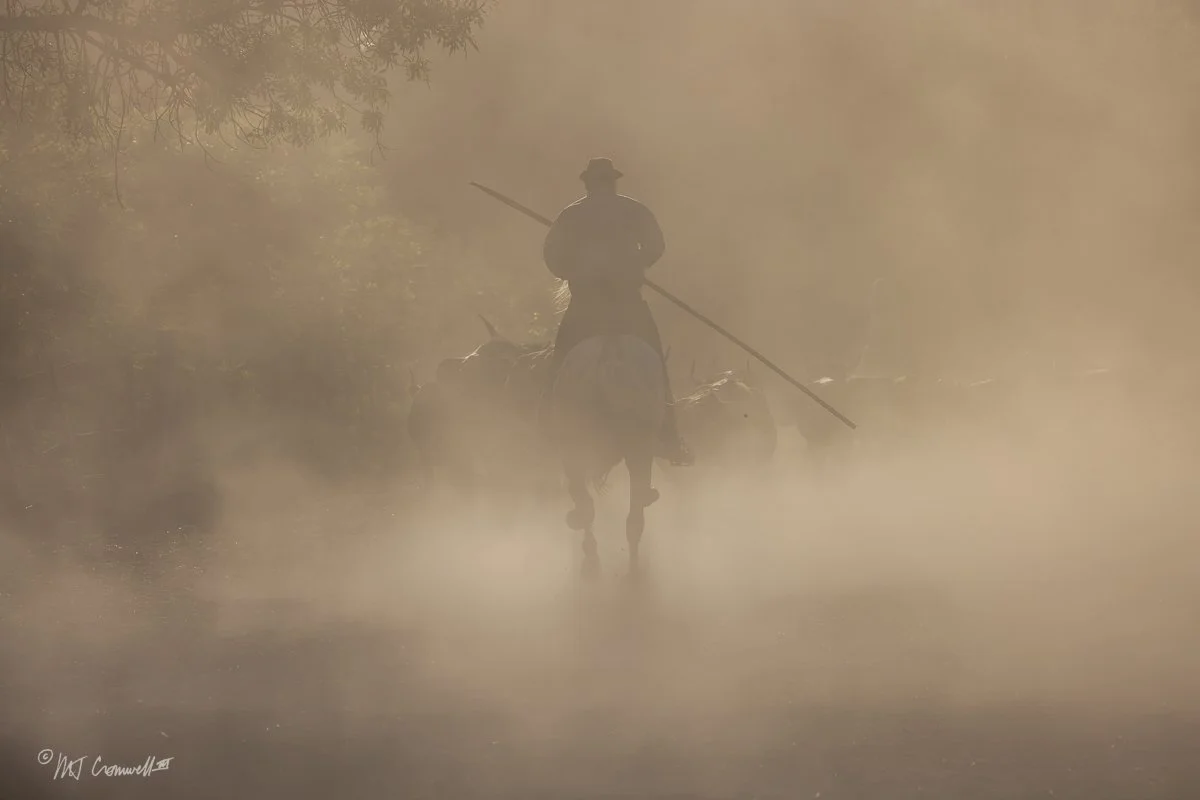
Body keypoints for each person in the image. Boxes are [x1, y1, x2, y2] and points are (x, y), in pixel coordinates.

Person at [538, 157, 693, 466]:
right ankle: (670, 437)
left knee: (559, 365)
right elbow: (656, 246)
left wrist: (574, 270)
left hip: (584, 309)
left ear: (587, 183)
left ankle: (546, 436)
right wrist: (636, 263)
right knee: (656, 365)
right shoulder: (635, 210)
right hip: (628, 306)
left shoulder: (571, 214)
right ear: (613, 181)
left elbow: (551, 257)